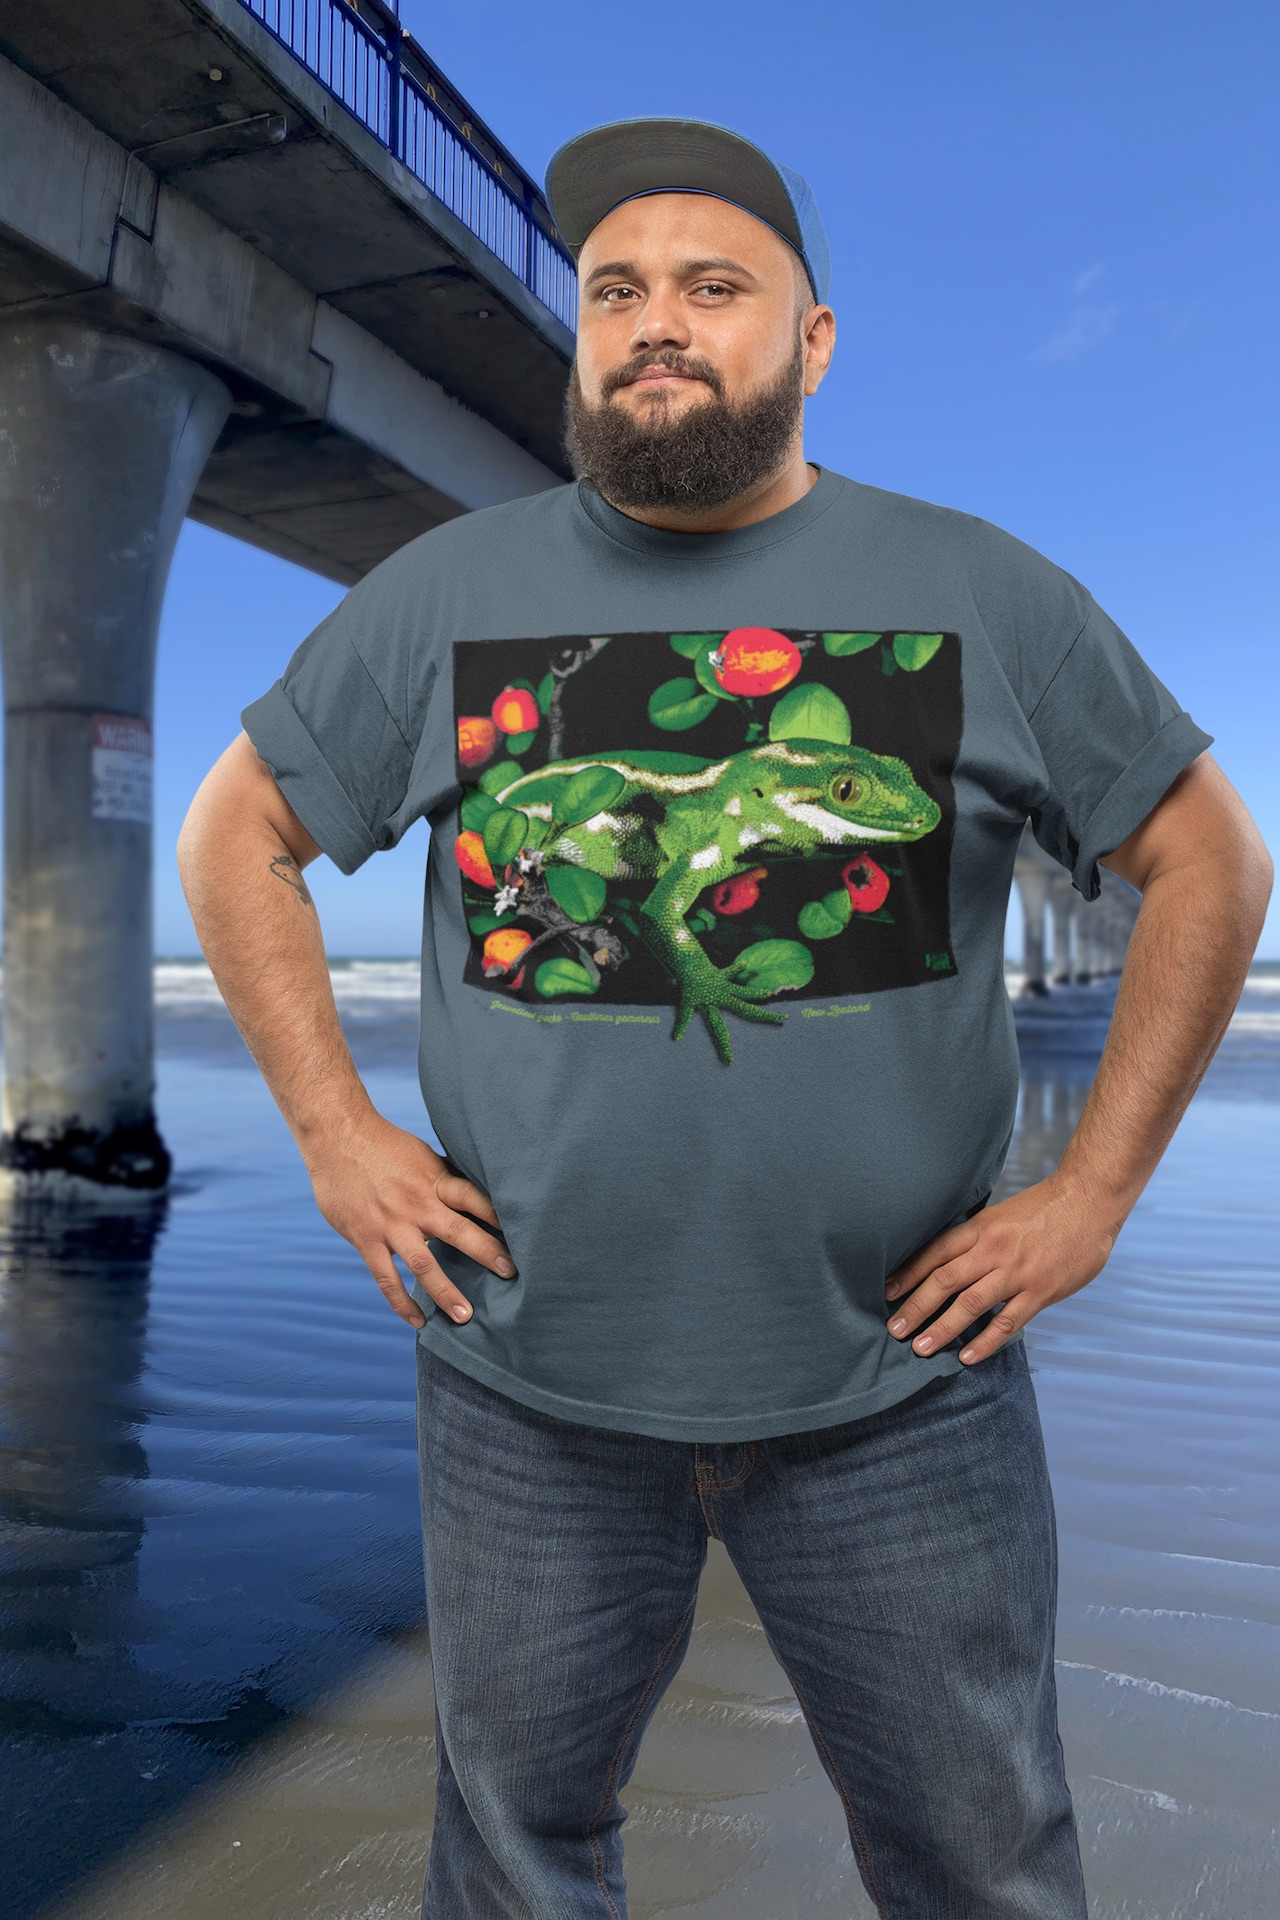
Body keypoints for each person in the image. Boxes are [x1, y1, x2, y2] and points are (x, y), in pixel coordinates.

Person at [178, 116, 1271, 1920]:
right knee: (521, 1861)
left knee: (986, 1868)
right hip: (527, 1382)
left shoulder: (980, 588)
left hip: (901, 1387)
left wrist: (1090, 1203)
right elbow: (239, 836)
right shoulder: (451, 597)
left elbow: (1210, 865)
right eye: (617, 292)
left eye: (712, 286)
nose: (656, 322)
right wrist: (335, 1137)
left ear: (813, 341)